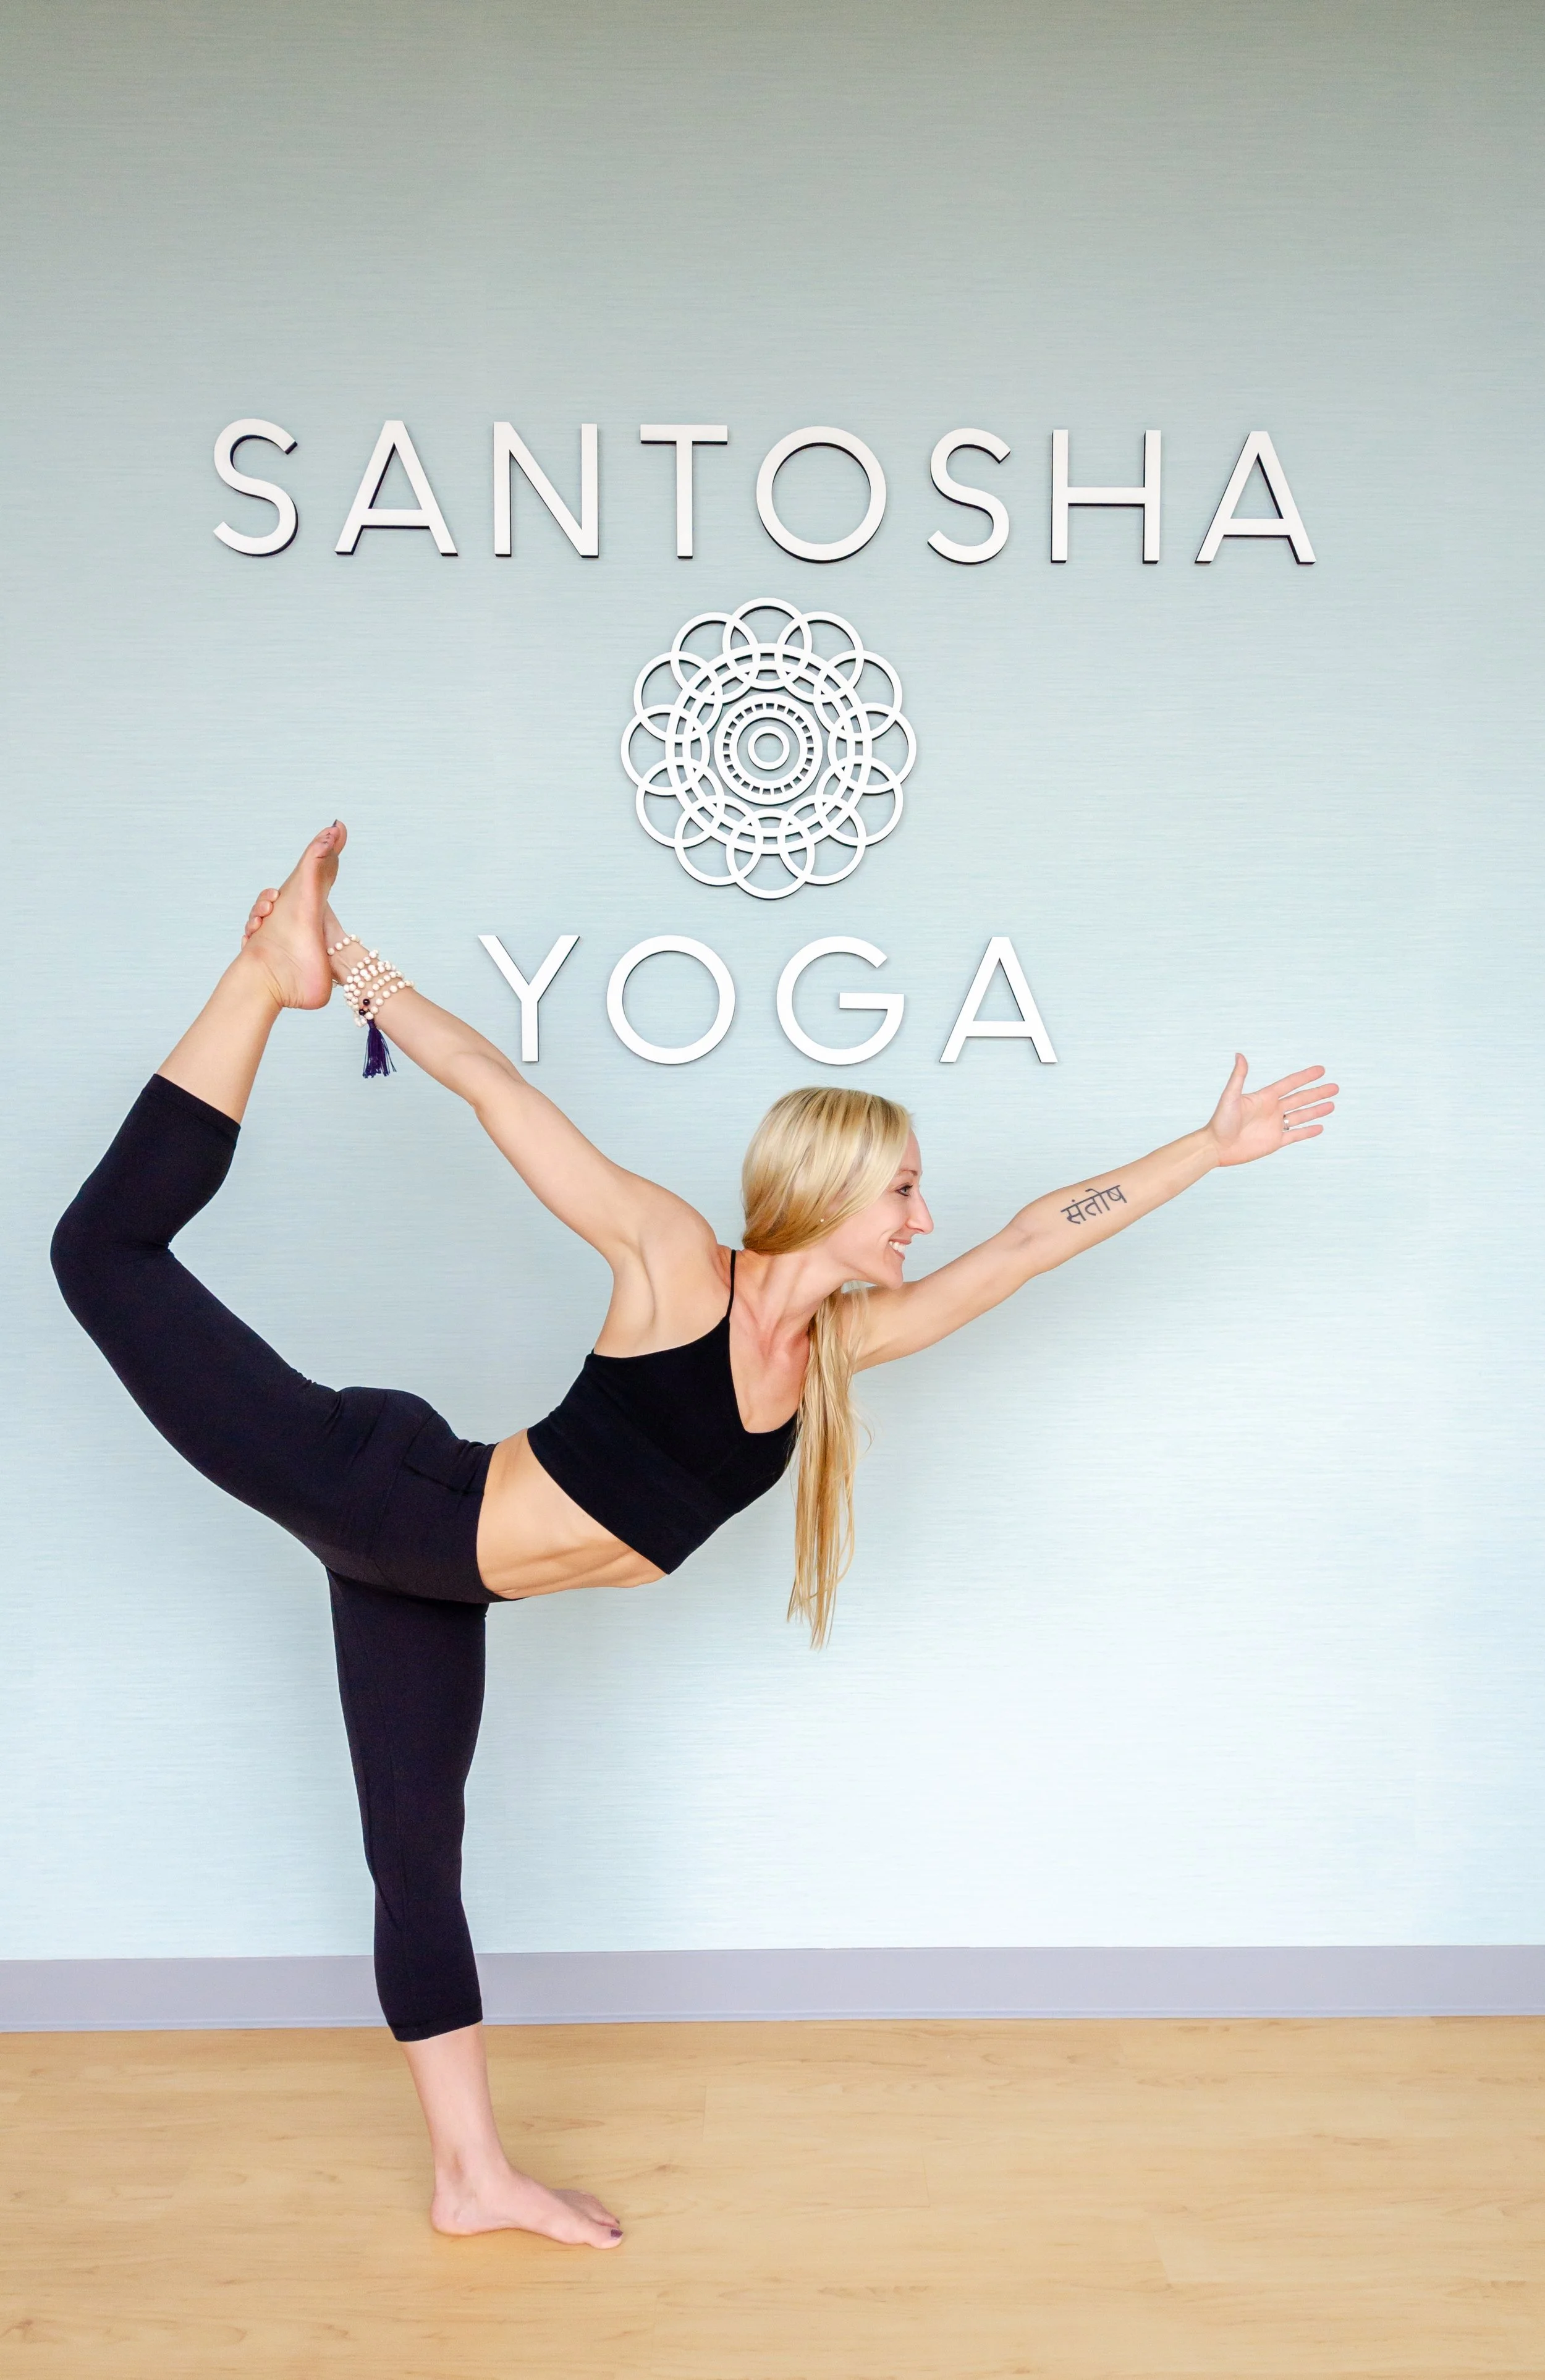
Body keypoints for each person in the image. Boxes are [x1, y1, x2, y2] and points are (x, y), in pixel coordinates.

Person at [51, 823, 1337, 2247]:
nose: (923, 1214)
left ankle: (471, 2177)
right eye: (903, 1187)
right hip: (378, 1490)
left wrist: (1207, 1153)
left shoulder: (842, 1352)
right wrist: (347, 972)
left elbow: (1030, 1242)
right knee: (100, 1253)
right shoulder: (672, 1265)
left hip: (424, 1571)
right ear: (835, 1188)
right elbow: (495, 1085)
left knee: (415, 1860)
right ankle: (257, 975)